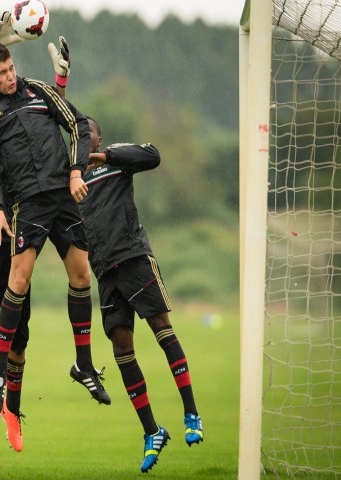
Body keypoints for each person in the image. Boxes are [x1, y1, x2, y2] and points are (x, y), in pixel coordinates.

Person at [0, 13, 74, 470]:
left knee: (18, 338)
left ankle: (12, 412)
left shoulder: (4, 125)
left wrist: (59, 84)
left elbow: (41, 127)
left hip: (12, 241)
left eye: (9, 71)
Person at [0, 42, 111, 418]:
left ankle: (83, 364)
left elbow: (77, 124)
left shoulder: (38, 90)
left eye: (11, 68)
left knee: (82, 276)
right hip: (28, 203)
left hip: (63, 196)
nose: (10, 76)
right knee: (19, 280)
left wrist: (76, 171)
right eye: (2, 73)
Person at [78, 117, 204, 473]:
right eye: (78, 135)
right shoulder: (72, 181)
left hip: (134, 258)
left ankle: (191, 413)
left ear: (99, 138)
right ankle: (152, 431)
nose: (84, 139)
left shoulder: (117, 162)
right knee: (122, 350)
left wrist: (107, 157)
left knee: (162, 329)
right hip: (105, 273)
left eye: (89, 134)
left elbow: (153, 155)